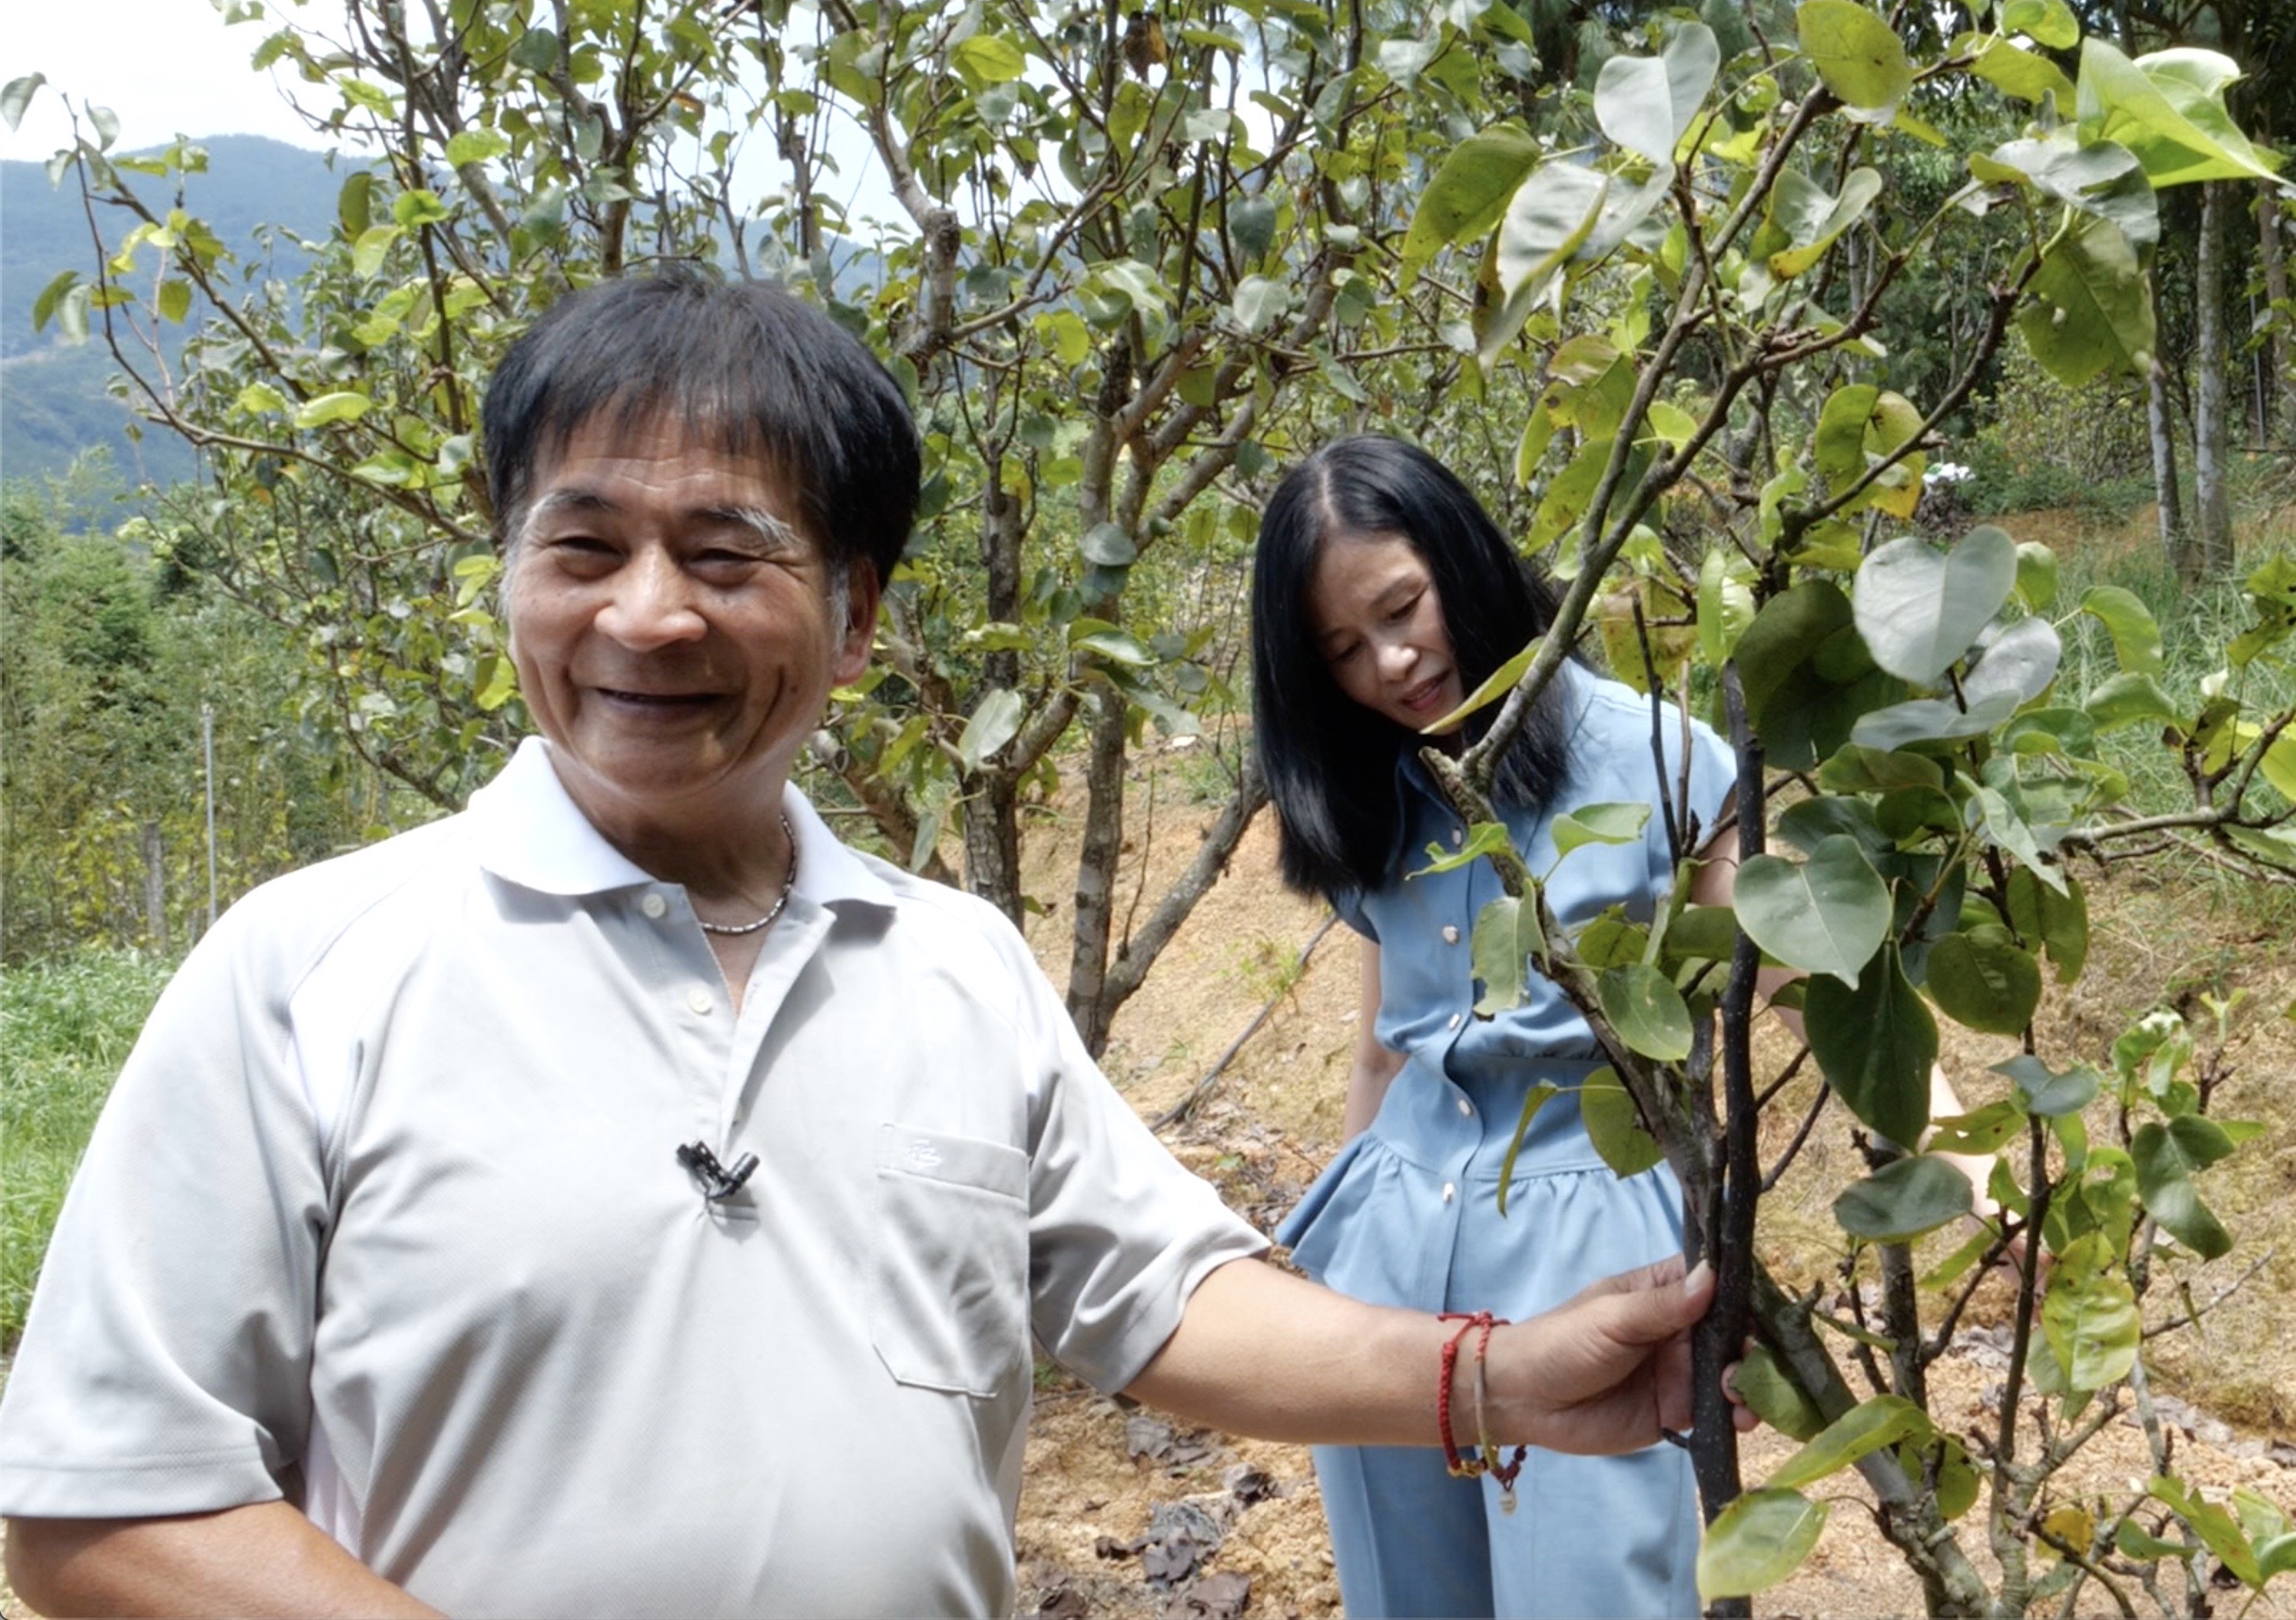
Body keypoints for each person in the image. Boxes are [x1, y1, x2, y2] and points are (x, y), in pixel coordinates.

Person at [0, 274, 1727, 1619]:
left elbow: (1159, 1299)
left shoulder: (954, 969)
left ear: (859, 616)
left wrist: (1492, 1378)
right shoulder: (311, 970)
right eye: (582, 546)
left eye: (729, 553)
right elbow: (102, 1508)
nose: (646, 613)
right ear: (510, 579)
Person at [1251, 436, 1986, 1620]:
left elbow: (1803, 972)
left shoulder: (1650, 760)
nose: (1391, 661)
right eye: (1341, 649)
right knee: (1405, 1588)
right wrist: (1341, 1259)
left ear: (1465, 565)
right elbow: (1388, 1037)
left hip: (1589, 1251)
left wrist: (1965, 1140)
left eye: (1403, 607)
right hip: (1394, 1250)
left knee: (1593, 1595)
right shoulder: (1377, 787)